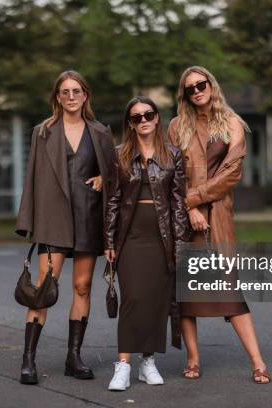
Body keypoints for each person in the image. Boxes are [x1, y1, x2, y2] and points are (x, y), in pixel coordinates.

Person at [168, 66, 271, 384]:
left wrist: (194, 200)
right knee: (187, 295)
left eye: (201, 84)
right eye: (190, 88)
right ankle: (193, 358)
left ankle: (257, 361)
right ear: (184, 95)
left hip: (218, 217)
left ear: (212, 85)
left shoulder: (232, 123)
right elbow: (172, 174)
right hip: (185, 220)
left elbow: (231, 174)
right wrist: (189, 207)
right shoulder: (175, 126)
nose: (197, 90)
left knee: (229, 291)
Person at [15, 70, 115, 385]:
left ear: (85, 95)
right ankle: (28, 360)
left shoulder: (100, 132)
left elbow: (114, 169)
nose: (71, 96)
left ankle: (74, 357)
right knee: (44, 288)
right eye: (65, 91)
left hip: (88, 216)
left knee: (83, 287)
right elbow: (31, 178)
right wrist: (28, 222)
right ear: (57, 97)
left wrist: (104, 178)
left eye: (76, 91)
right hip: (53, 218)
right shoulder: (41, 132)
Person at [104, 96, 189, 391]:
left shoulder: (174, 155)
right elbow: (113, 200)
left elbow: (178, 203)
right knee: (133, 299)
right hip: (130, 236)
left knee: (156, 301)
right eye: (136, 117)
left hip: (162, 236)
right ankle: (123, 365)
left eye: (148, 115)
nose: (143, 121)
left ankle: (148, 363)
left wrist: (180, 242)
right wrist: (109, 240)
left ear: (156, 118)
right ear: (129, 123)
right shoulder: (119, 155)